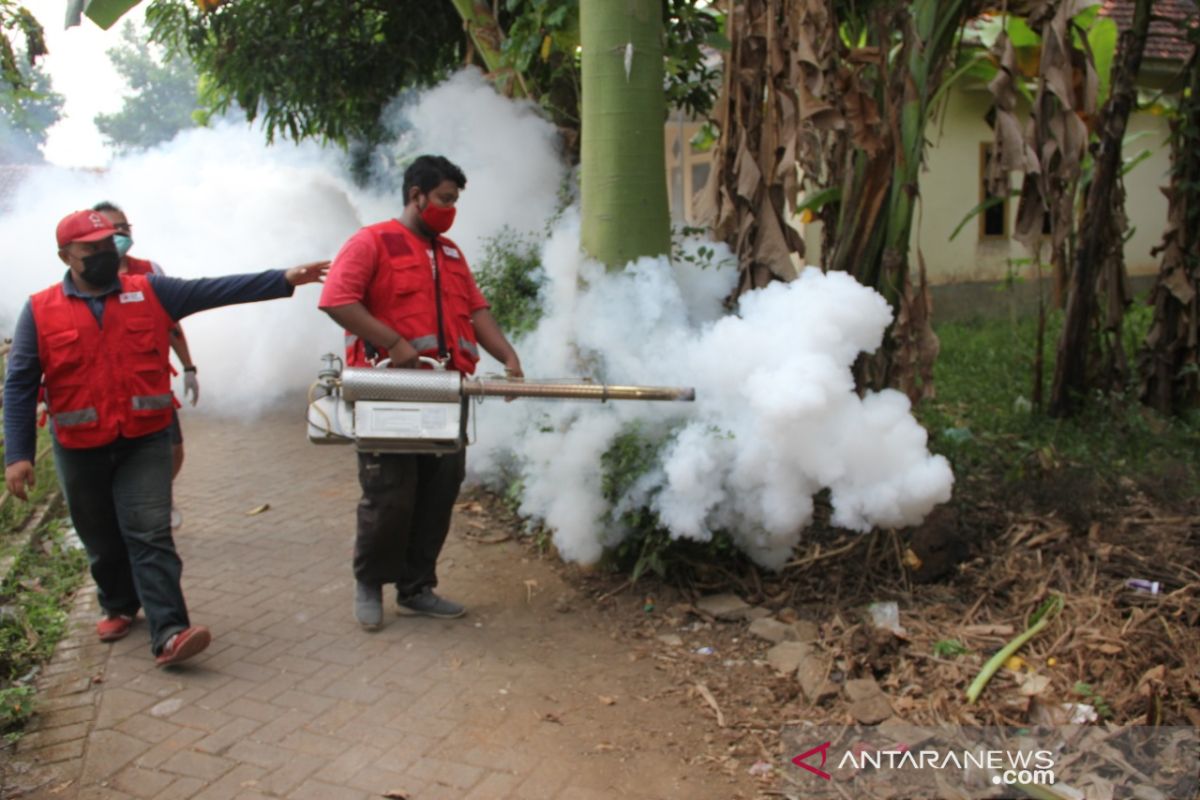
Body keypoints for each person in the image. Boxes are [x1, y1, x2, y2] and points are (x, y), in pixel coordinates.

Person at [3, 209, 328, 667]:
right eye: (90, 249)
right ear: (66, 255)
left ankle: (170, 632)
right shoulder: (40, 309)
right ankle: (117, 602)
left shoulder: (149, 291)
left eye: (108, 245)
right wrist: (18, 454)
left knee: (149, 533)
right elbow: (19, 382)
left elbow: (213, 290)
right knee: (100, 536)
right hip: (79, 444)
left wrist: (283, 278)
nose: (103, 254)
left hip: (144, 438)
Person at [320, 154, 523, 630]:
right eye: (445, 199)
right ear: (417, 195)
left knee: (438, 492)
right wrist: (393, 342)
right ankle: (370, 582)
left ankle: (416, 588)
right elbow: (336, 300)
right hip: (389, 392)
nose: (451, 209)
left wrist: (508, 358)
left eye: (455, 201)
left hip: (447, 394)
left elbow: (476, 312)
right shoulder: (371, 243)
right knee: (389, 495)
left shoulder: (450, 254)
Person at [94, 201, 194, 528]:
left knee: (174, 449)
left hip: (152, 382)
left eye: (125, 228)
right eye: (113, 229)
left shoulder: (150, 272)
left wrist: (189, 368)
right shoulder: (87, 276)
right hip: (107, 386)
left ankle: (160, 494)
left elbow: (172, 324)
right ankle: (129, 506)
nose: (121, 234)